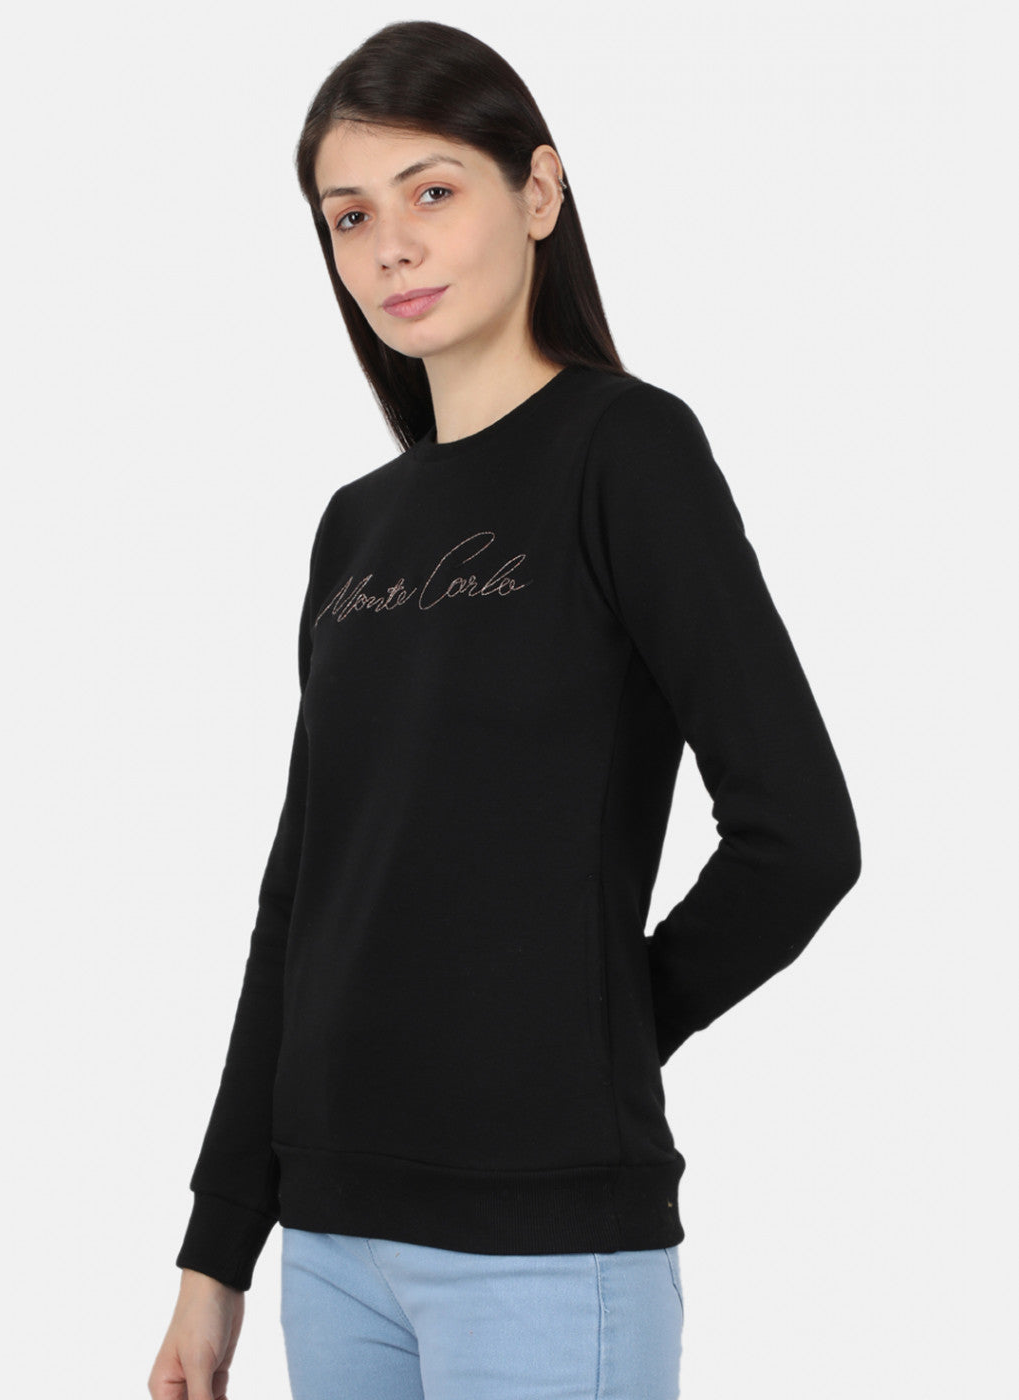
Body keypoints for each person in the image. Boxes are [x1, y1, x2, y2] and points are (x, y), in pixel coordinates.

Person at [148, 19, 862, 1400]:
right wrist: (215, 1253)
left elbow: (801, 839)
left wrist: (597, 1027)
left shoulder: (626, 452)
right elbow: (302, 899)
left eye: (432, 190)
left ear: (537, 192)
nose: (390, 247)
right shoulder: (356, 526)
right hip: (331, 1243)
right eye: (351, 216)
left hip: (541, 1244)